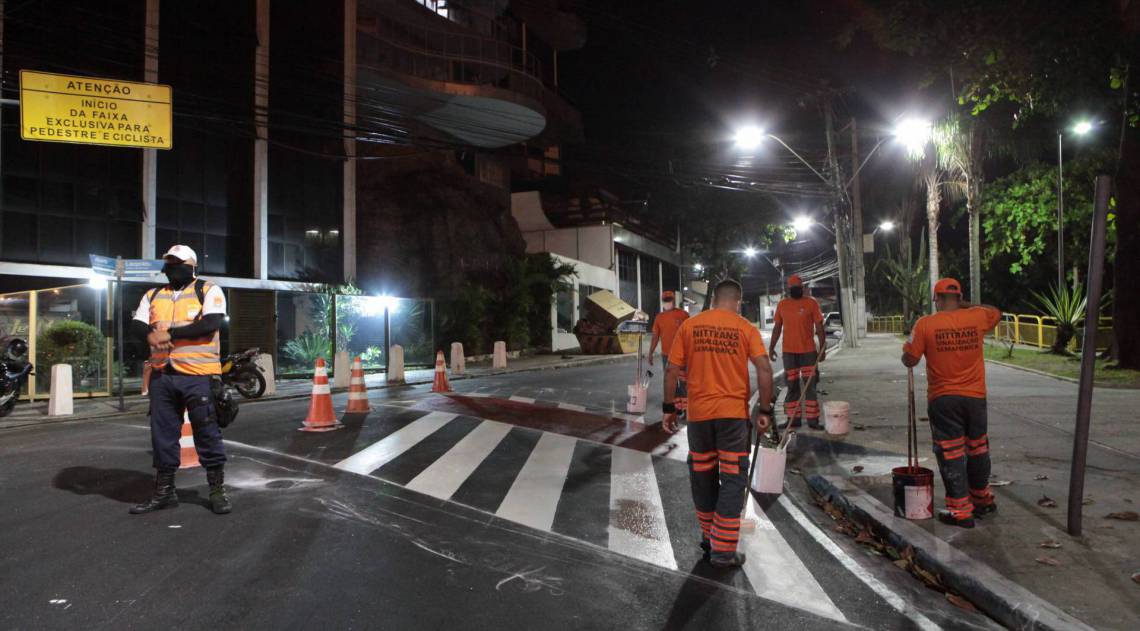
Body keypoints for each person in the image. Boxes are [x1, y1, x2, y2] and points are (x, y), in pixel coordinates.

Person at [663, 279, 774, 568]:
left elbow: (672, 370)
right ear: (738, 301)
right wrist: (764, 410)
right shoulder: (745, 328)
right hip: (732, 418)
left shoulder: (690, 326)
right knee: (734, 478)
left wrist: (669, 409)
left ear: (713, 299)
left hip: (699, 418)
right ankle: (723, 550)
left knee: (703, 476)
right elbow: (764, 369)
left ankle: (709, 537)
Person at [129, 245, 232, 515]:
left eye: (178, 263)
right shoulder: (153, 295)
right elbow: (138, 324)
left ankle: (217, 491)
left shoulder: (208, 290)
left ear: (192, 265)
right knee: (162, 436)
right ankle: (164, 492)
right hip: (162, 375)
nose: (172, 267)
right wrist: (149, 335)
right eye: (169, 263)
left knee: (207, 433)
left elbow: (210, 324)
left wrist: (170, 333)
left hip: (199, 376)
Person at [902, 278, 1002, 528]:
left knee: (951, 452)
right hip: (975, 398)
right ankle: (981, 499)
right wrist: (966, 305)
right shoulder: (977, 317)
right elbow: (996, 312)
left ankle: (961, 511)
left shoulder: (925, 324)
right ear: (959, 298)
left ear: (937, 300)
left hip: (944, 400)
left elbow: (910, 360)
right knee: (978, 448)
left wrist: (907, 351)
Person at [769, 275, 826, 429]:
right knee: (792, 386)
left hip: (808, 352)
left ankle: (813, 420)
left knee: (810, 386)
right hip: (789, 353)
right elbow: (777, 328)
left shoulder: (811, 303)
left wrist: (823, 347)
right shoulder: (782, 305)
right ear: (789, 289)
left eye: (798, 288)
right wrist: (771, 347)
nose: (796, 290)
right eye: (793, 288)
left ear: (802, 288)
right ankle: (793, 419)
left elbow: (819, 327)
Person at [648, 290, 689, 418]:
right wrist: (650, 352)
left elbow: (690, 334)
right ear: (662, 302)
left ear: (674, 300)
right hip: (667, 355)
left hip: (683, 354)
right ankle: (678, 407)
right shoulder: (659, 317)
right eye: (665, 300)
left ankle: (687, 408)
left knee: (683, 381)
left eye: (669, 300)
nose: (667, 303)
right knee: (671, 383)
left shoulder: (683, 315)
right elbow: (655, 336)